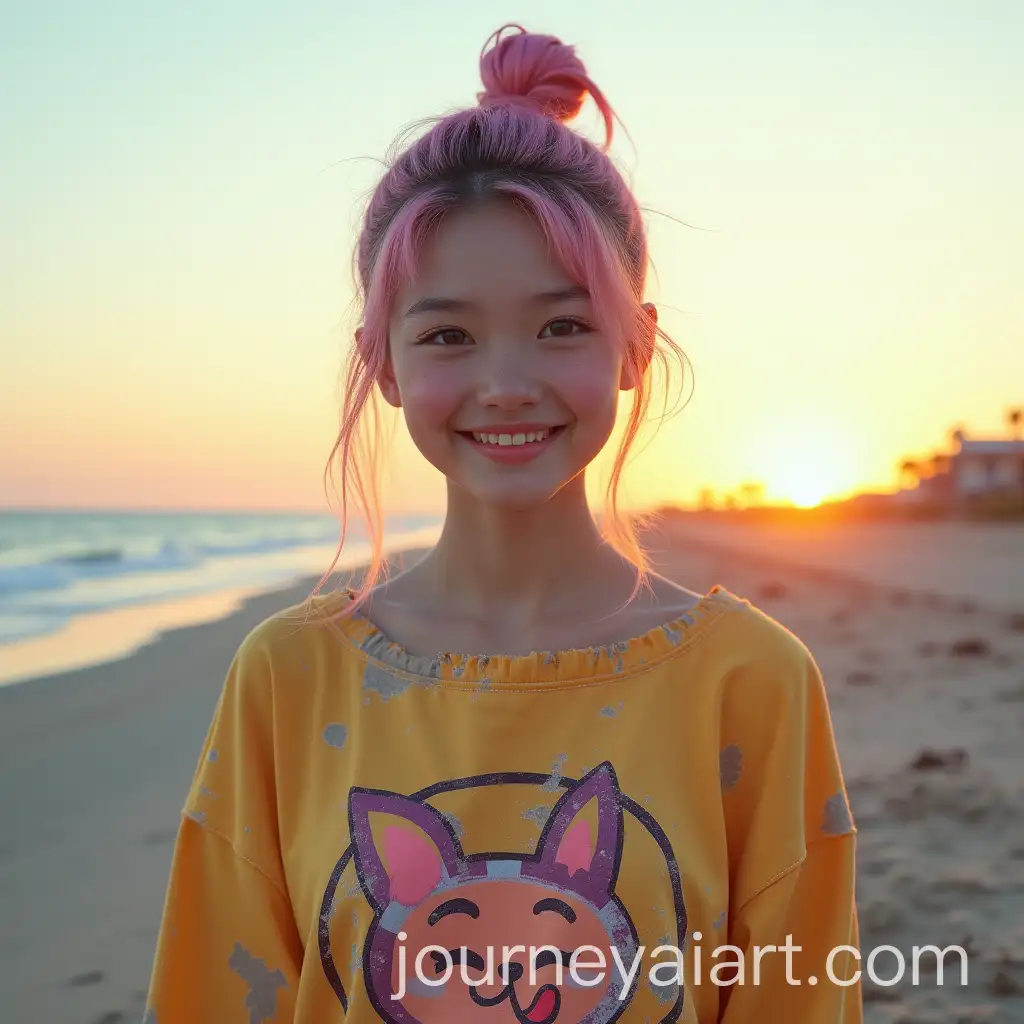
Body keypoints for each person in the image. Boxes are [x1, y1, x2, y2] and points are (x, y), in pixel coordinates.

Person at [144, 23, 861, 1024]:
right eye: (448, 334)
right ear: (384, 362)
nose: (506, 384)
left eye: (561, 324)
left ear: (633, 345)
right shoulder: (289, 679)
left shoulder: (750, 683)